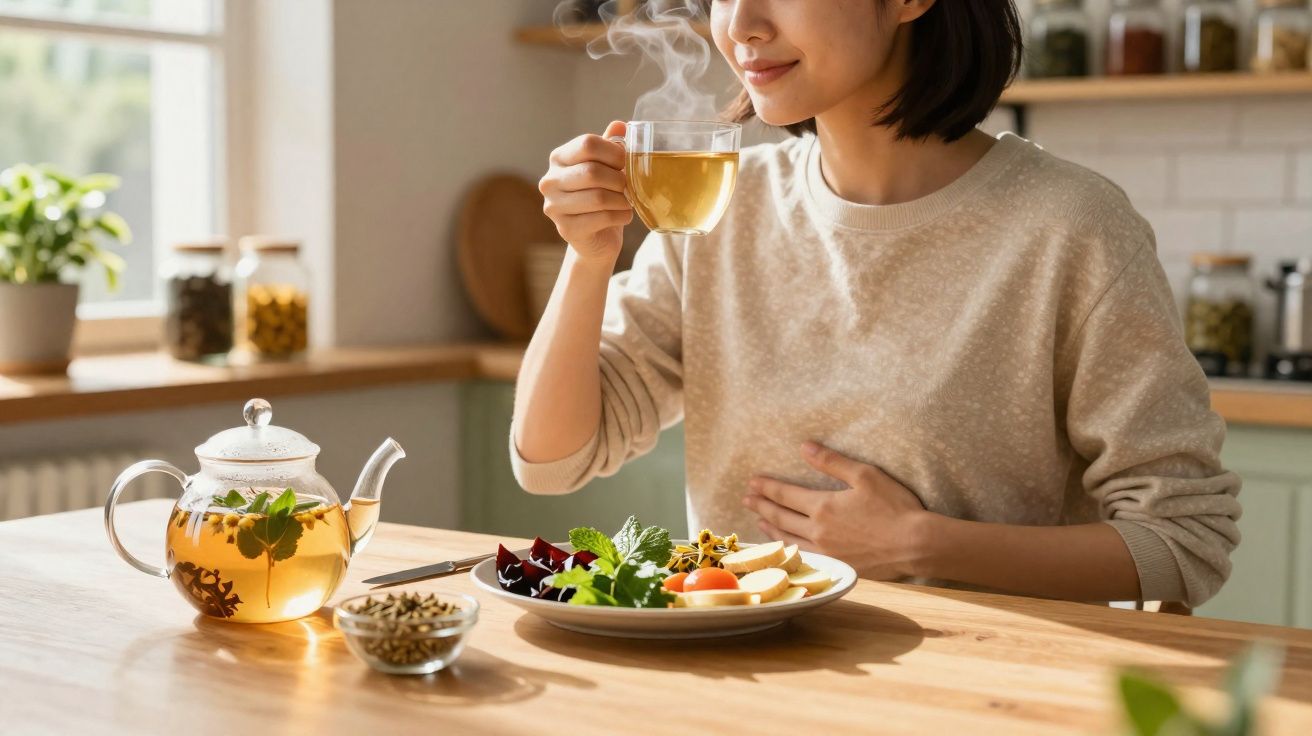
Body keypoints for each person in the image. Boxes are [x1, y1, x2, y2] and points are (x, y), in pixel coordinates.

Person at [511, 0, 1241, 608]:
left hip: (983, 697)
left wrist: (924, 544)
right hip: (744, 685)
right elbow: (550, 461)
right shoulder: (721, 207)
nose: (742, 25)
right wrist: (590, 253)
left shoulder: (1070, 227)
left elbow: (1182, 542)